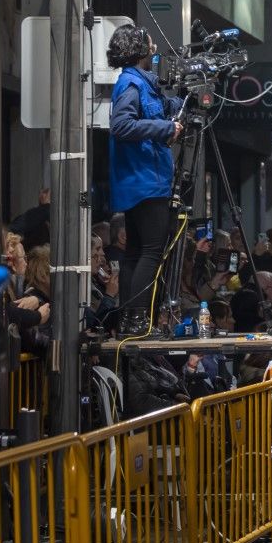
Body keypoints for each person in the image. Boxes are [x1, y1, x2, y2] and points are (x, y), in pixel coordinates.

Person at [106, 23, 182, 338]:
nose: (154, 46)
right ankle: (137, 323)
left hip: (140, 181)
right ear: (140, 49)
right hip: (145, 181)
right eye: (149, 41)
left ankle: (129, 322)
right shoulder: (131, 84)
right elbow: (121, 126)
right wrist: (165, 129)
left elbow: (158, 111)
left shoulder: (139, 83)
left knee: (136, 252)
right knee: (151, 250)